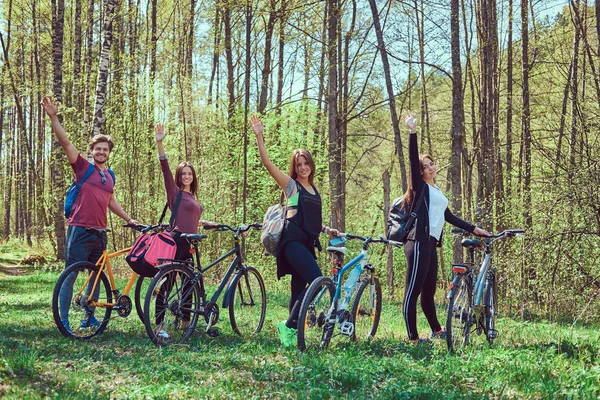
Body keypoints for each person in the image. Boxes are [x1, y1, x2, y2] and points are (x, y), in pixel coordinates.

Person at [42, 96, 138, 334]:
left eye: (105, 149)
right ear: (92, 151)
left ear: (109, 152)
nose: (101, 152)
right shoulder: (83, 167)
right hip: (80, 228)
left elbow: (111, 201)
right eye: (98, 149)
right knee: (72, 273)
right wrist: (53, 116)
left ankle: (88, 318)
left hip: (100, 232)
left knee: (97, 275)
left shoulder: (110, 176)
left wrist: (128, 219)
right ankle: (63, 321)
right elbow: (65, 143)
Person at [400, 110, 490, 344]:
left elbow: (448, 216)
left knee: (429, 291)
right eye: (427, 166)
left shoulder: (436, 190)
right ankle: (412, 337)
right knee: (413, 291)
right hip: (417, 242)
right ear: (420, 172)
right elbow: (411, 159)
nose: (431, 167)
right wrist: (412, 131)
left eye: (432, 164)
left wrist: (474, 229)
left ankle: (437, 330)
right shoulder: (420, 187)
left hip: (430, 244)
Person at [251, 115, 338, 347]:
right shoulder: (292, 186)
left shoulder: (314, 188)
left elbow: (310, 218)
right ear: (294, 167)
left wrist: (326, 229)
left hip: (307, 243)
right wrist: (260, 136)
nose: (302, 168)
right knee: (318, 281)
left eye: (305, 163)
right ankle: (288, 326)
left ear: (311, 164)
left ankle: (290, 337)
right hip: (292, 244)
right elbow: (267, 163)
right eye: (298, 165)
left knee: (299, 289)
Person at [154, 124, 215, 339]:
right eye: (183, 173)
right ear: (179, 177)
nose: (187, 176)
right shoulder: (175, 192)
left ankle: (186, 323)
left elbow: (192, 219)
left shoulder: (193, 198)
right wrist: (160, 142)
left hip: (190, 242)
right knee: (168, 283)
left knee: (189, 284)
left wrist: (208, 223)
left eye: (190, 173)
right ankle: (159, 326)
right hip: (177, 240)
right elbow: (165, 169)